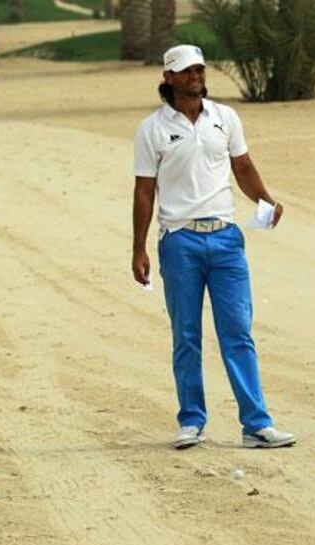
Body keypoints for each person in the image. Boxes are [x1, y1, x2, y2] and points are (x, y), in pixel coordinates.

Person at [131, 44, 296, 450]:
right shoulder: (152, 129)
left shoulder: (224, 117)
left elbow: (242, 167)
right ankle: (191, 421)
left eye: (200, 70)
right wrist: (139, 248)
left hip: (225, 239)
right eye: (187, 72)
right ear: (169, 77)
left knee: (237, 332)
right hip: (180, 241)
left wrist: (266, 200)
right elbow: (144, 191)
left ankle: (256, 424)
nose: (196, 77)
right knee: (186, 335)